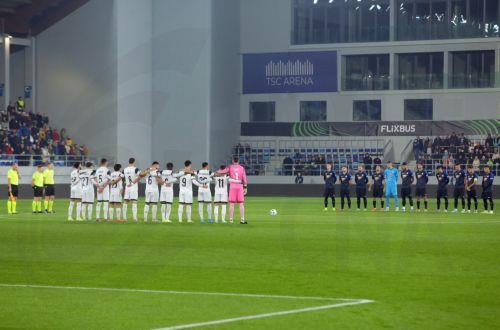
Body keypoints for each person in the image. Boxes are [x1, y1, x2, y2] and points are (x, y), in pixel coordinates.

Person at [216, 156, 248, 224]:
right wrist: (245, 187)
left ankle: (231, 220)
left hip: (233, 186)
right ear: (238, 161)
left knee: (231, 204)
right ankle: (242, 220)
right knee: (241, 204)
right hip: (240, 186)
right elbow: (244, 178)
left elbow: (223, 171)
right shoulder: (242, 168)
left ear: (233, 161)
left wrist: (217, 171)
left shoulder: (230, 167)